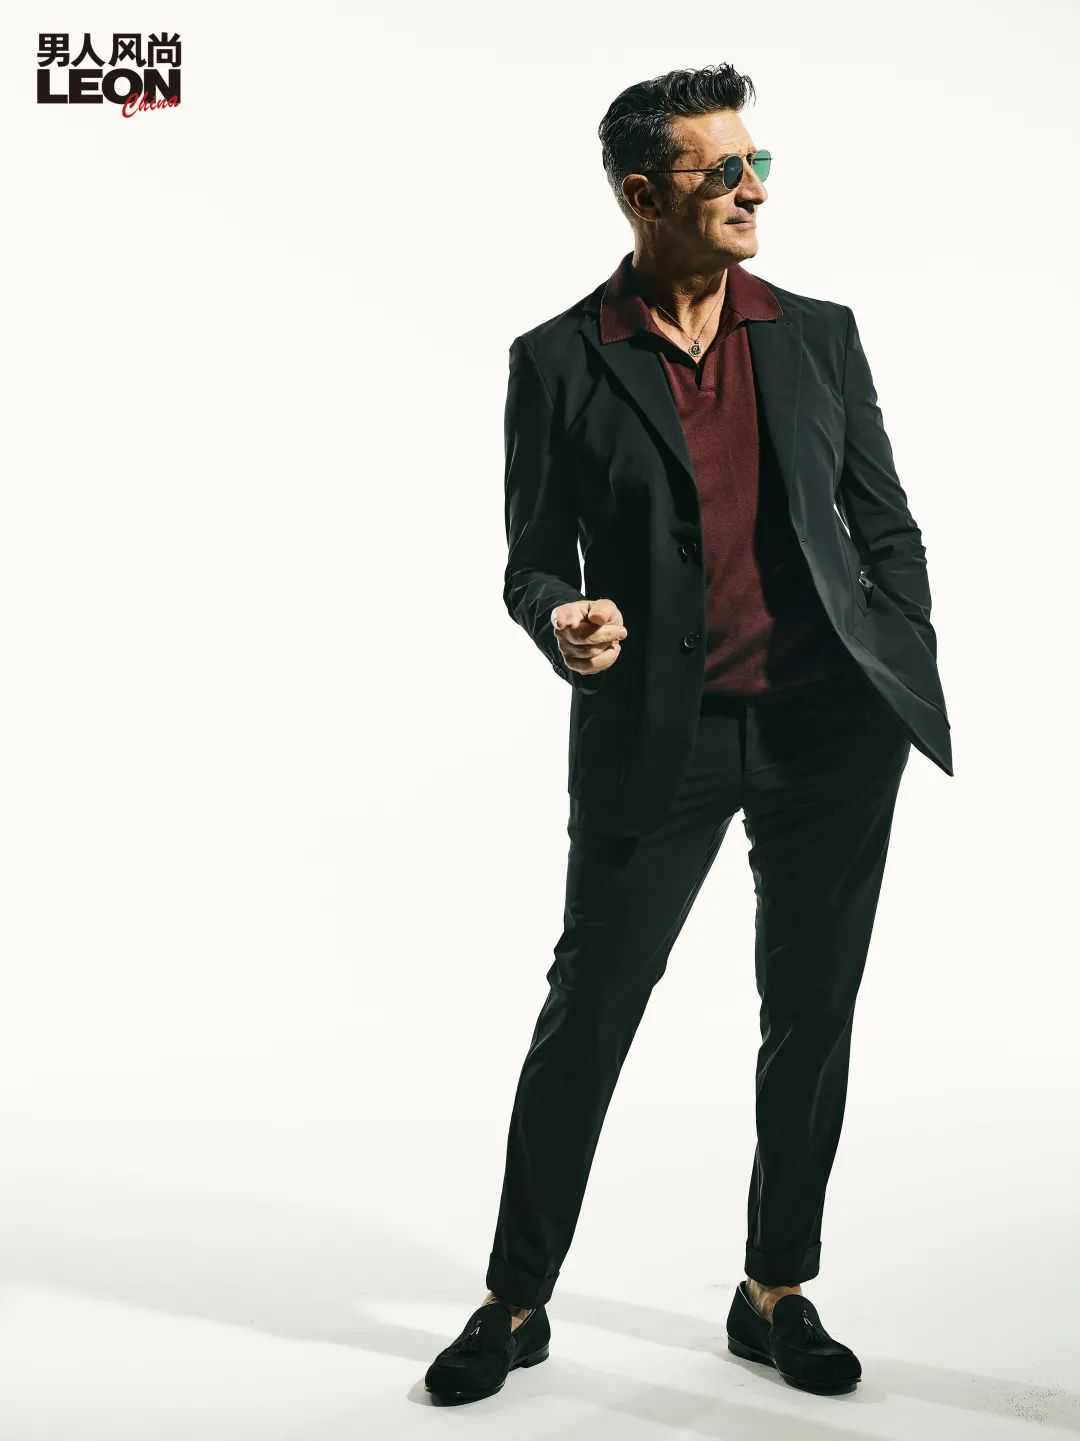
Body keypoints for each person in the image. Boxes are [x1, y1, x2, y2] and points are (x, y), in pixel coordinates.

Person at [425, 62, 953, 1406]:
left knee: (812, 1011)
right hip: (658, 739)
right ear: (644, 195)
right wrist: (559, 619)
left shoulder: (817, 334)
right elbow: (530, 559)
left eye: (758, 163)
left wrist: (897, 651)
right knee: (590, 1007)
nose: (754, 190)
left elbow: (883, 520)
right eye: (726, 172)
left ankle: (775, 1288)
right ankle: (516, 1299)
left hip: (830, 735)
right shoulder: (560, 358)